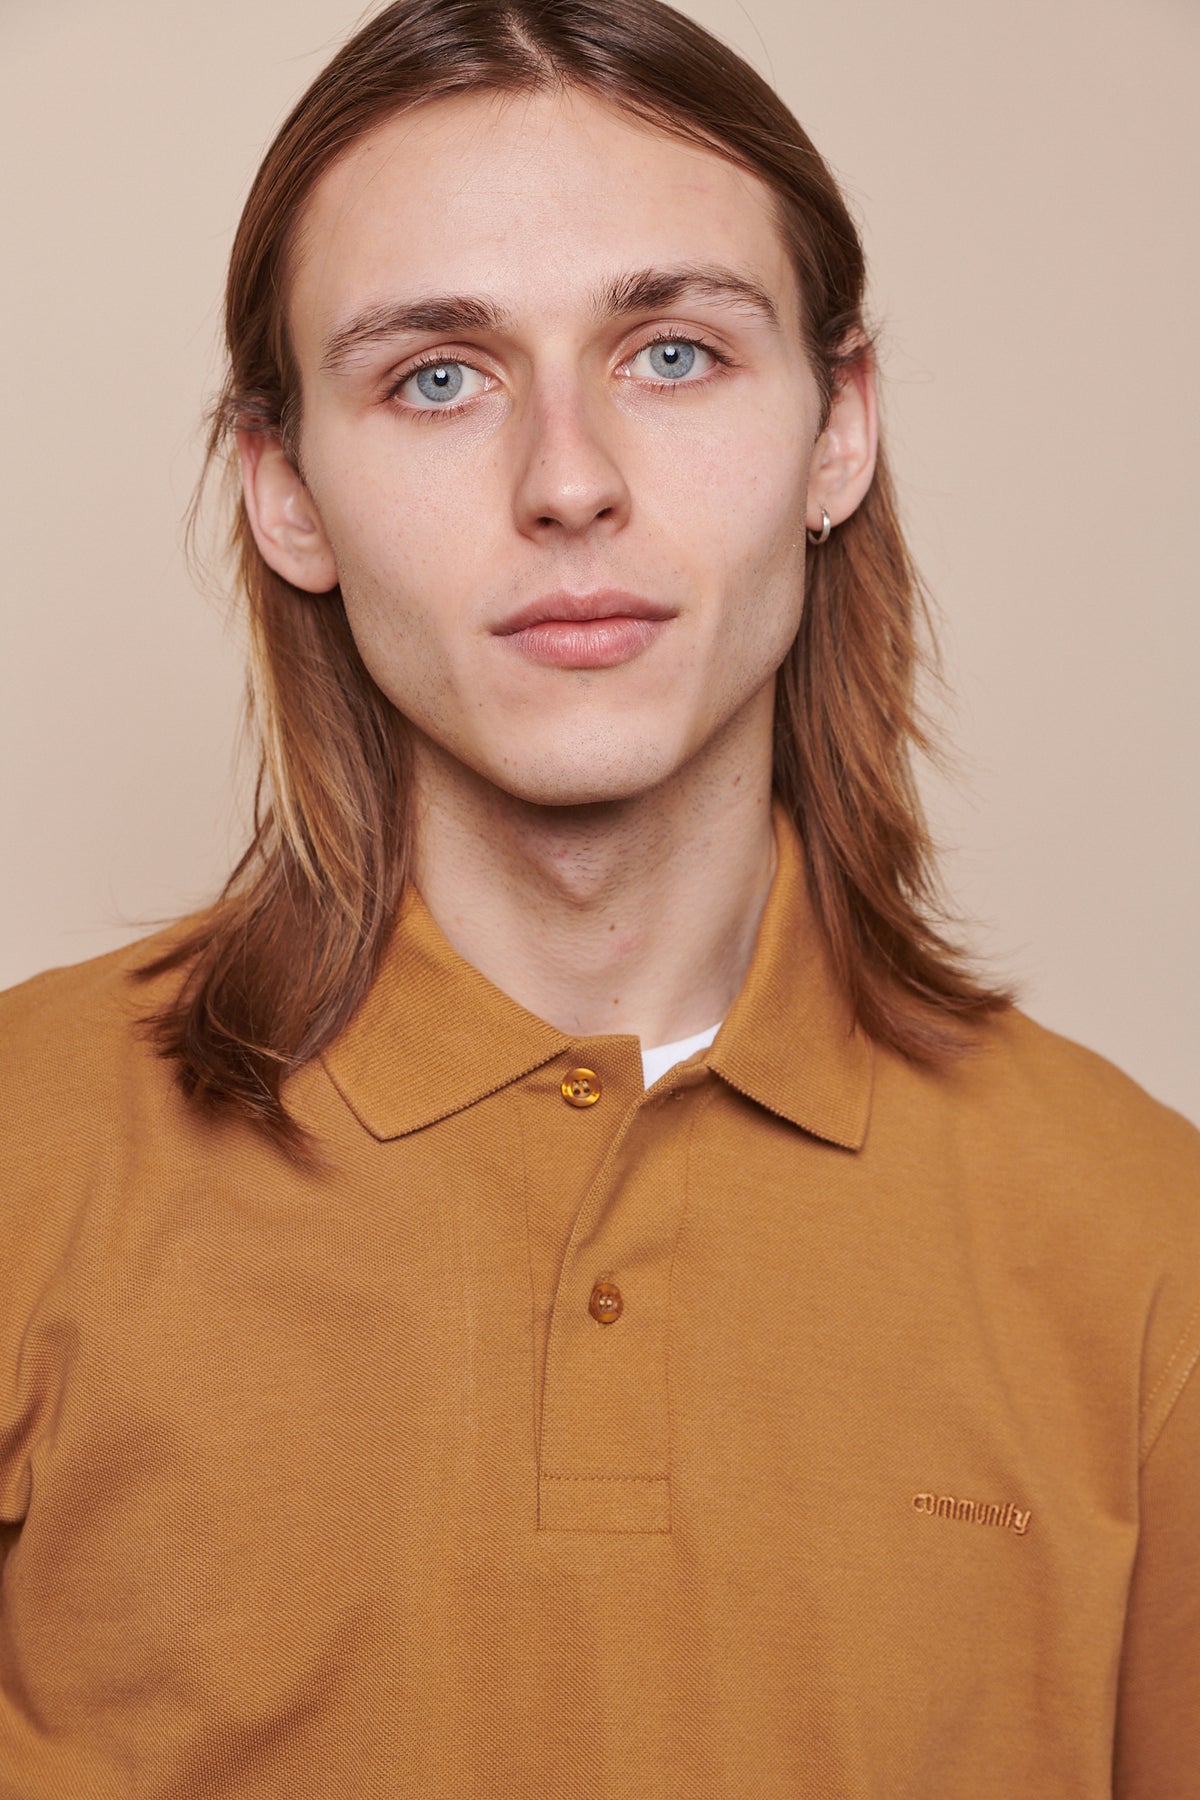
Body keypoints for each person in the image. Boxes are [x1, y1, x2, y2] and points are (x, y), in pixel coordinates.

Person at [1, 0, 1196, 1793]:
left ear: (838, 429)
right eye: (436, 377)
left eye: (674, 354)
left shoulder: (1146, 1244)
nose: (569, 483)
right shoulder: (23, 1152)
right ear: (285, 490)